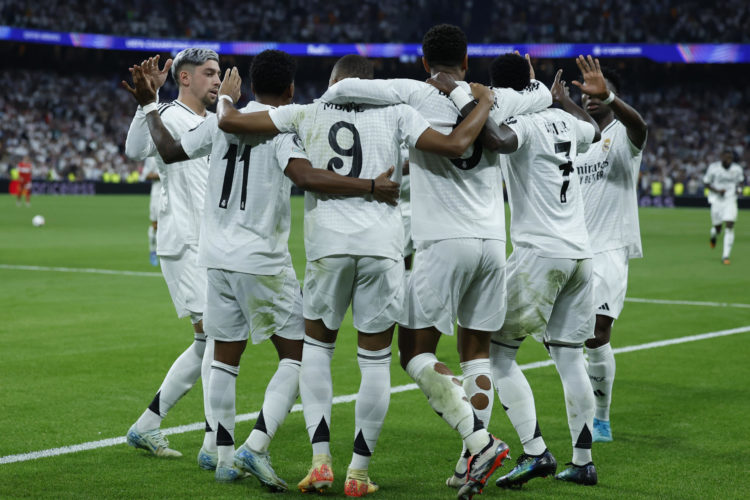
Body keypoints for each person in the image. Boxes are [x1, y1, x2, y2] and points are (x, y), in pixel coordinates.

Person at [216, 53, 495, 498]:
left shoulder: (306, 110)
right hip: (382, 248)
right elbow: (456, 145)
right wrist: (484, 102)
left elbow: (231, 124)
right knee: (374, 363)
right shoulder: (398, 111)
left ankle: (321, 462)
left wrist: (227, 101)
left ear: (334, 81)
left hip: (328, 245)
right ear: (373, 84)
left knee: (317, 353)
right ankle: (358, 474)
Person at [125, 49, 400, 491]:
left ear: (249, 85)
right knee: (300, 353)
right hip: (262, 261)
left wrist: (147, 105)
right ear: (290, 90)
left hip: (215, 257)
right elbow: (307, 176)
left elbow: (170, 151)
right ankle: (257, 443)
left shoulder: (221, 119)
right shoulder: (287, 126)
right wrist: (370, 186)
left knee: (224, 356)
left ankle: (225, 457)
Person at [320, 25, 552, 500]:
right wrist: (506, 85)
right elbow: (544, 95)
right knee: (477, 355)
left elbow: (340, 87)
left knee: (414, 353)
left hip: (442, 242)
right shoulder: (495, 98)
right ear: (466, 61)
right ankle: (471, 463)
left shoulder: (410, 92)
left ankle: (480, 442)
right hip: (492, 241)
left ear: (425, 63)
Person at [484, 53, 601, 488]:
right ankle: (583, 461)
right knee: (571, 358)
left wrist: (481, 103)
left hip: (540, 253)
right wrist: (561, 100)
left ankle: (536, 451)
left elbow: (497, 140)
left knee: (498, 354)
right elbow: (591, 130)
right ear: (532, 79)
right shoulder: (567, 121)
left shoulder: (526, 124)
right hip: (580, 254)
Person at [121, 48, 219, 460]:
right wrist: (149, 103)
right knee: (216, 338)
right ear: (185, 78)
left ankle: (146, 425)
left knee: (208, 343)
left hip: (213, 242)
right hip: (183, 242)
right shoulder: (167, 115)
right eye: (209, 74)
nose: (217, 80)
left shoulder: (215, 121)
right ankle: (217, 442)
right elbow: (133, 150)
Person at [573, 56, 648, 443]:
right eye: (583, 93)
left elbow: (641, 127)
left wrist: (611, 97)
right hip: (574, 249)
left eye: (594, 93)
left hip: (609, 248)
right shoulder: (578, 141)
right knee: (572, 339)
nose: (588, 99)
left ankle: (601, 419)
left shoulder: (622, 134)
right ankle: (584, 414)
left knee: (597, 334)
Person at [704, 149, 744, 264]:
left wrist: (739, 189)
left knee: (730, 225)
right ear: (722, 157)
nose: (729, 160)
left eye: (730, 158)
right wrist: (717, 191)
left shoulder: (737, 169)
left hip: (730, 199)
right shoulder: (713, 168)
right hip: (716, 200)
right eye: (727, 158)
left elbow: (741, 181)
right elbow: (706, 183)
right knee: (718, 228)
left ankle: (725, 256)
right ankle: (713, 235)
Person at [141, 157, 161, 266]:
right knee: (156, 225)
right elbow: (146, 175)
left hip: (173, 193)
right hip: (157, 194)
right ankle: (153, 251)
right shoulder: (153, 157)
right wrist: (162, 174)